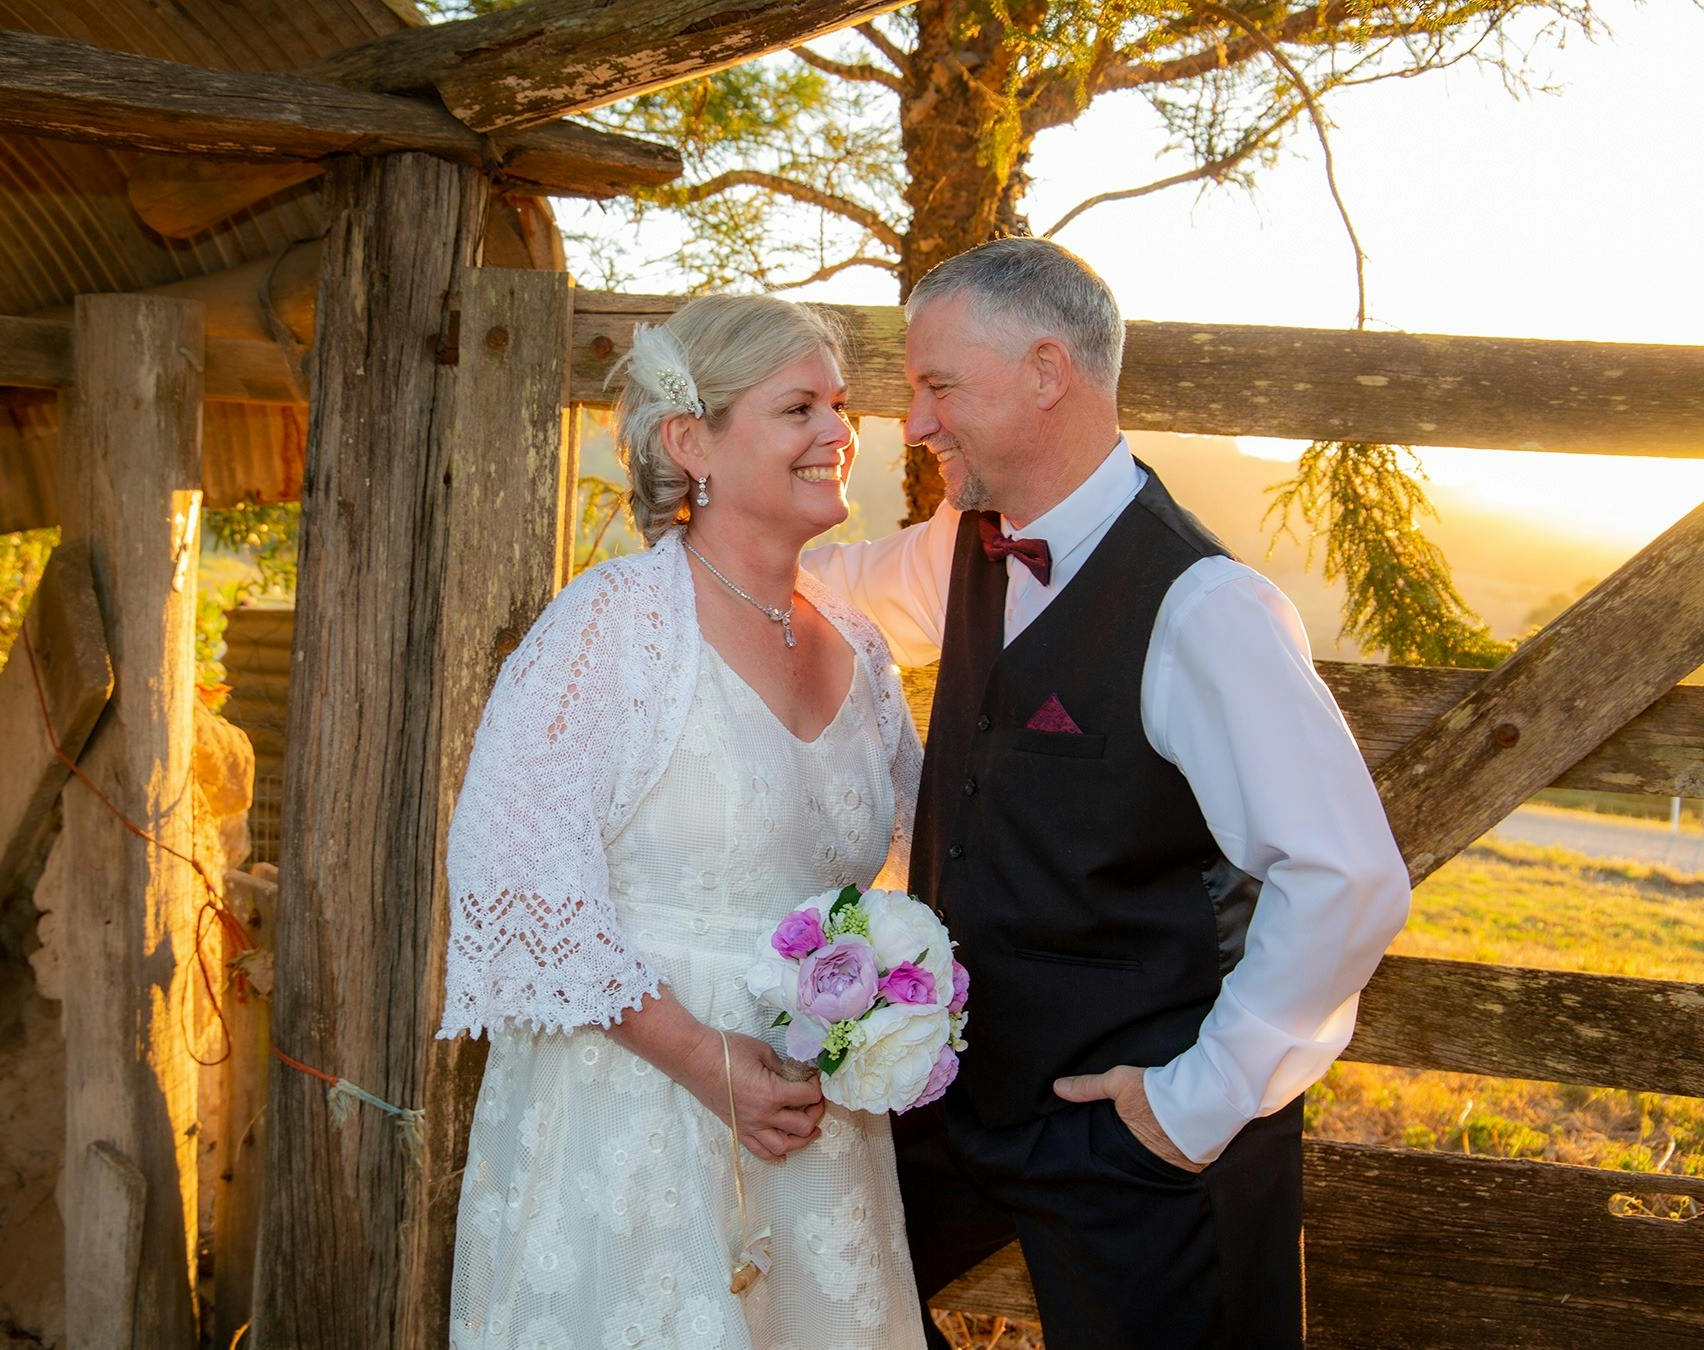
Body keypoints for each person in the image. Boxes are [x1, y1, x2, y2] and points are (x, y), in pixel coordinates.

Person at [802, 237, 1411, 1348]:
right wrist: (696, 541)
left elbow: (1346, 877)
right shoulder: (965, 548)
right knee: (815, 1295)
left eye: (938, 387)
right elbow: (830, 588)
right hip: (971, 1107)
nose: (916, 423)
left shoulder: (1206, 608)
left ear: (1046, 371)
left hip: (1145, 1140)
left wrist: (1193, 1106)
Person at [438, 294, 929, 1350]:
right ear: (689, 439)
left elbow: (907, 870)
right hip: (636, 1114)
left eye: (839, 407)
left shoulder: (862, 651)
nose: (838, 434)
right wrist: (708, 1063)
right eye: (798, 408)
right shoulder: (608, 629)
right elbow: (514, 883)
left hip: (812, 1131)